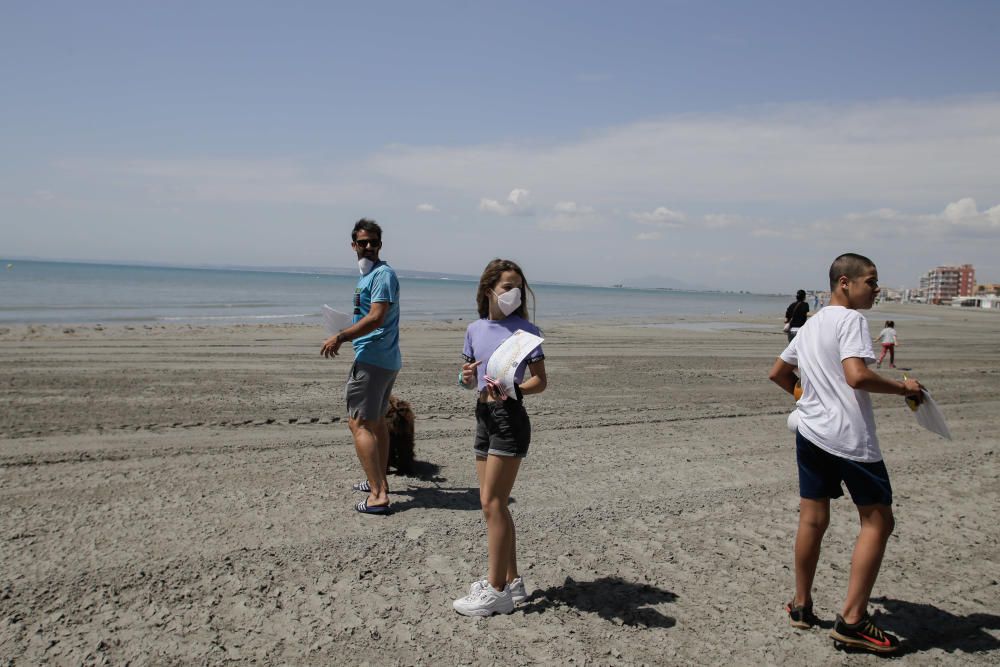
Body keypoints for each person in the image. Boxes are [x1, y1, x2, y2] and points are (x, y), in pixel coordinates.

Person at [768, 253, 922, 654]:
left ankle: (801, 606)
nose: (876, 289)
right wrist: (904, 389)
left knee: (813, 517)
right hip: (849, 438)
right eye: (870, 281)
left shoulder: (812, 324)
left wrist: (808, 397)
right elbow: (857, 376)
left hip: (810, 431)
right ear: (844, 284)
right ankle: (853, 619)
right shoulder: (851, 320)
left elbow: (779, 373)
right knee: (878, 521)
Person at [452, 259, 547, 617]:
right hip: (483, 416)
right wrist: (464, 376)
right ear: (488, 289)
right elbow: (465, 381)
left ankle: (495, 591)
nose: (514, 293)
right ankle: (512, 582)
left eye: (518, 287)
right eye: (508, 286)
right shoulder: (474, 330)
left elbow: (540, 381)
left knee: (493, 504)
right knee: (493, 505)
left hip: (509, 419)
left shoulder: (526, 331)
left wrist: (516, 389)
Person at [321, 219, 401, 515]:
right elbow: (368, 315)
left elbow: (377, 317)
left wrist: (341, 336)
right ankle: (379, 482)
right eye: (363, 242)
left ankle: (378, 495)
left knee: (359, 423)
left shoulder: (381, 275)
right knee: (377, 421)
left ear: (380, 245)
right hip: (384, 358)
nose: (368, 247)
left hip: (374, 359)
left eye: (374, 242)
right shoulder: (368, 277)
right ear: (353, 245)